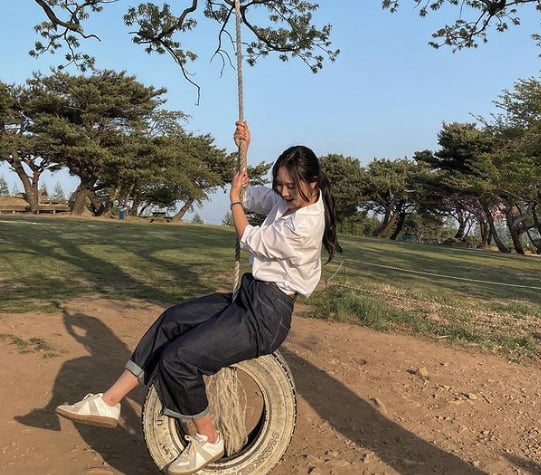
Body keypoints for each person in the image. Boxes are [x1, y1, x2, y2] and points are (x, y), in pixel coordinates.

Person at [55, 121, 342, 475]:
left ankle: (208, 439)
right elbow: (248, 193)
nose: (283, 193)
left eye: (291, 187)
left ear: (312, 183)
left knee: (180, 359)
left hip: (266, 315)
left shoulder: (306, 224)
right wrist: (244, 150)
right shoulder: (287, 204)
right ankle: (109, 401)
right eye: (279, 184)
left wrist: (235, 201)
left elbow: (249, 238)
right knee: (172, 318)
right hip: (250, 296)